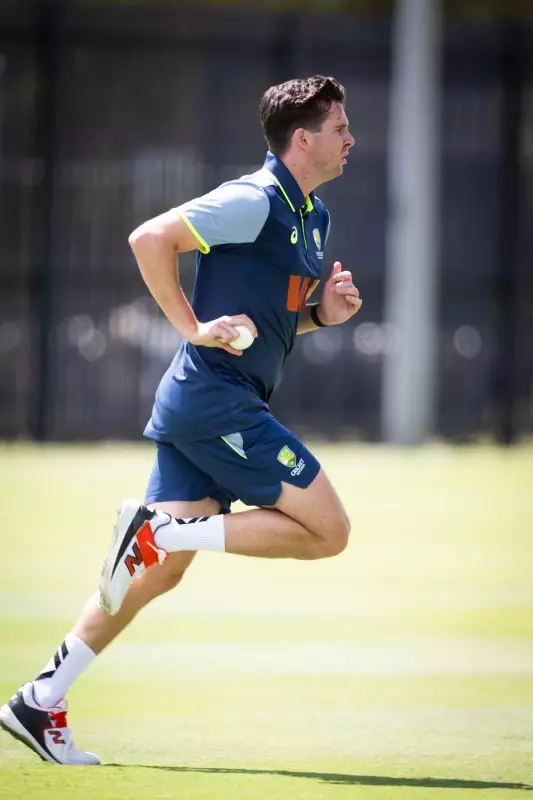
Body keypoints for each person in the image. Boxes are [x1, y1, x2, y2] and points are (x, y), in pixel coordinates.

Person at [0, 75, 360, 765]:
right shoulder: (254, 198)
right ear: (302, 138)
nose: (351, 138)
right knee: (328, 533)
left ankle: (39, 700)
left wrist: (321, 315)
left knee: (157, 572)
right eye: (340, 127)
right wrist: (191, 327)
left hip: (213, 402)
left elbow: (269, 323)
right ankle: (158, 527)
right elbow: (150, 238)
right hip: (215, 400)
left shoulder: (311, 215)